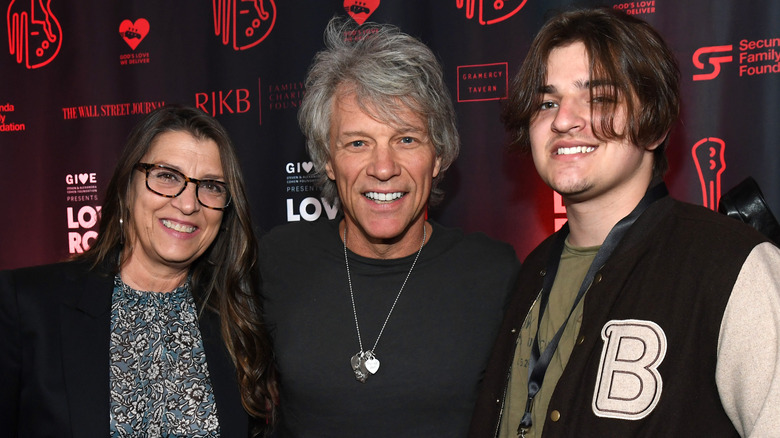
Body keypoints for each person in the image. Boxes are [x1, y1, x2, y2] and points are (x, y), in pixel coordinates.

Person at [469, 7, 780, 438]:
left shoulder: (733, 266)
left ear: (652, 126)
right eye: (547, 102)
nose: (563, 120)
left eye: (598, 98)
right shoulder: (531, 271)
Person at [259, 17, 520, 437]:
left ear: (438, 156)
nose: (383, 168)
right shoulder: (277, 260)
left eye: (406, 139)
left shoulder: (494, 272)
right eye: (358, 143)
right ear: (327, 158)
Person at [0, 105, 276, 437]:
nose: (189, 204)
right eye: (167, 176)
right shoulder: (28, 305)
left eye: (211, 186)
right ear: (127, 188)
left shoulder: (241, 321)